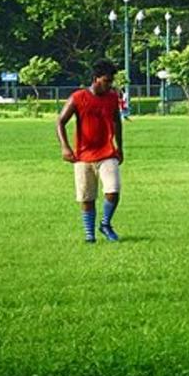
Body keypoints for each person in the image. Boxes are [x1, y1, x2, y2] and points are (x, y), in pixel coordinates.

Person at [56, 59, 124, 243]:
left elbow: (117, 122)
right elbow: (60, 122)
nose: (109, 85)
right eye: (106, 80)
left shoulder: (112, 97)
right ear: (95, 79)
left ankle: (105, 224)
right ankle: (89, 235)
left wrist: (120, 147)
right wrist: (65, 146)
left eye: (111, 81)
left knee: (113, 190)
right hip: (83, 156)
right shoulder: (78, 98)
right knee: (87, 197)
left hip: (107, 152)